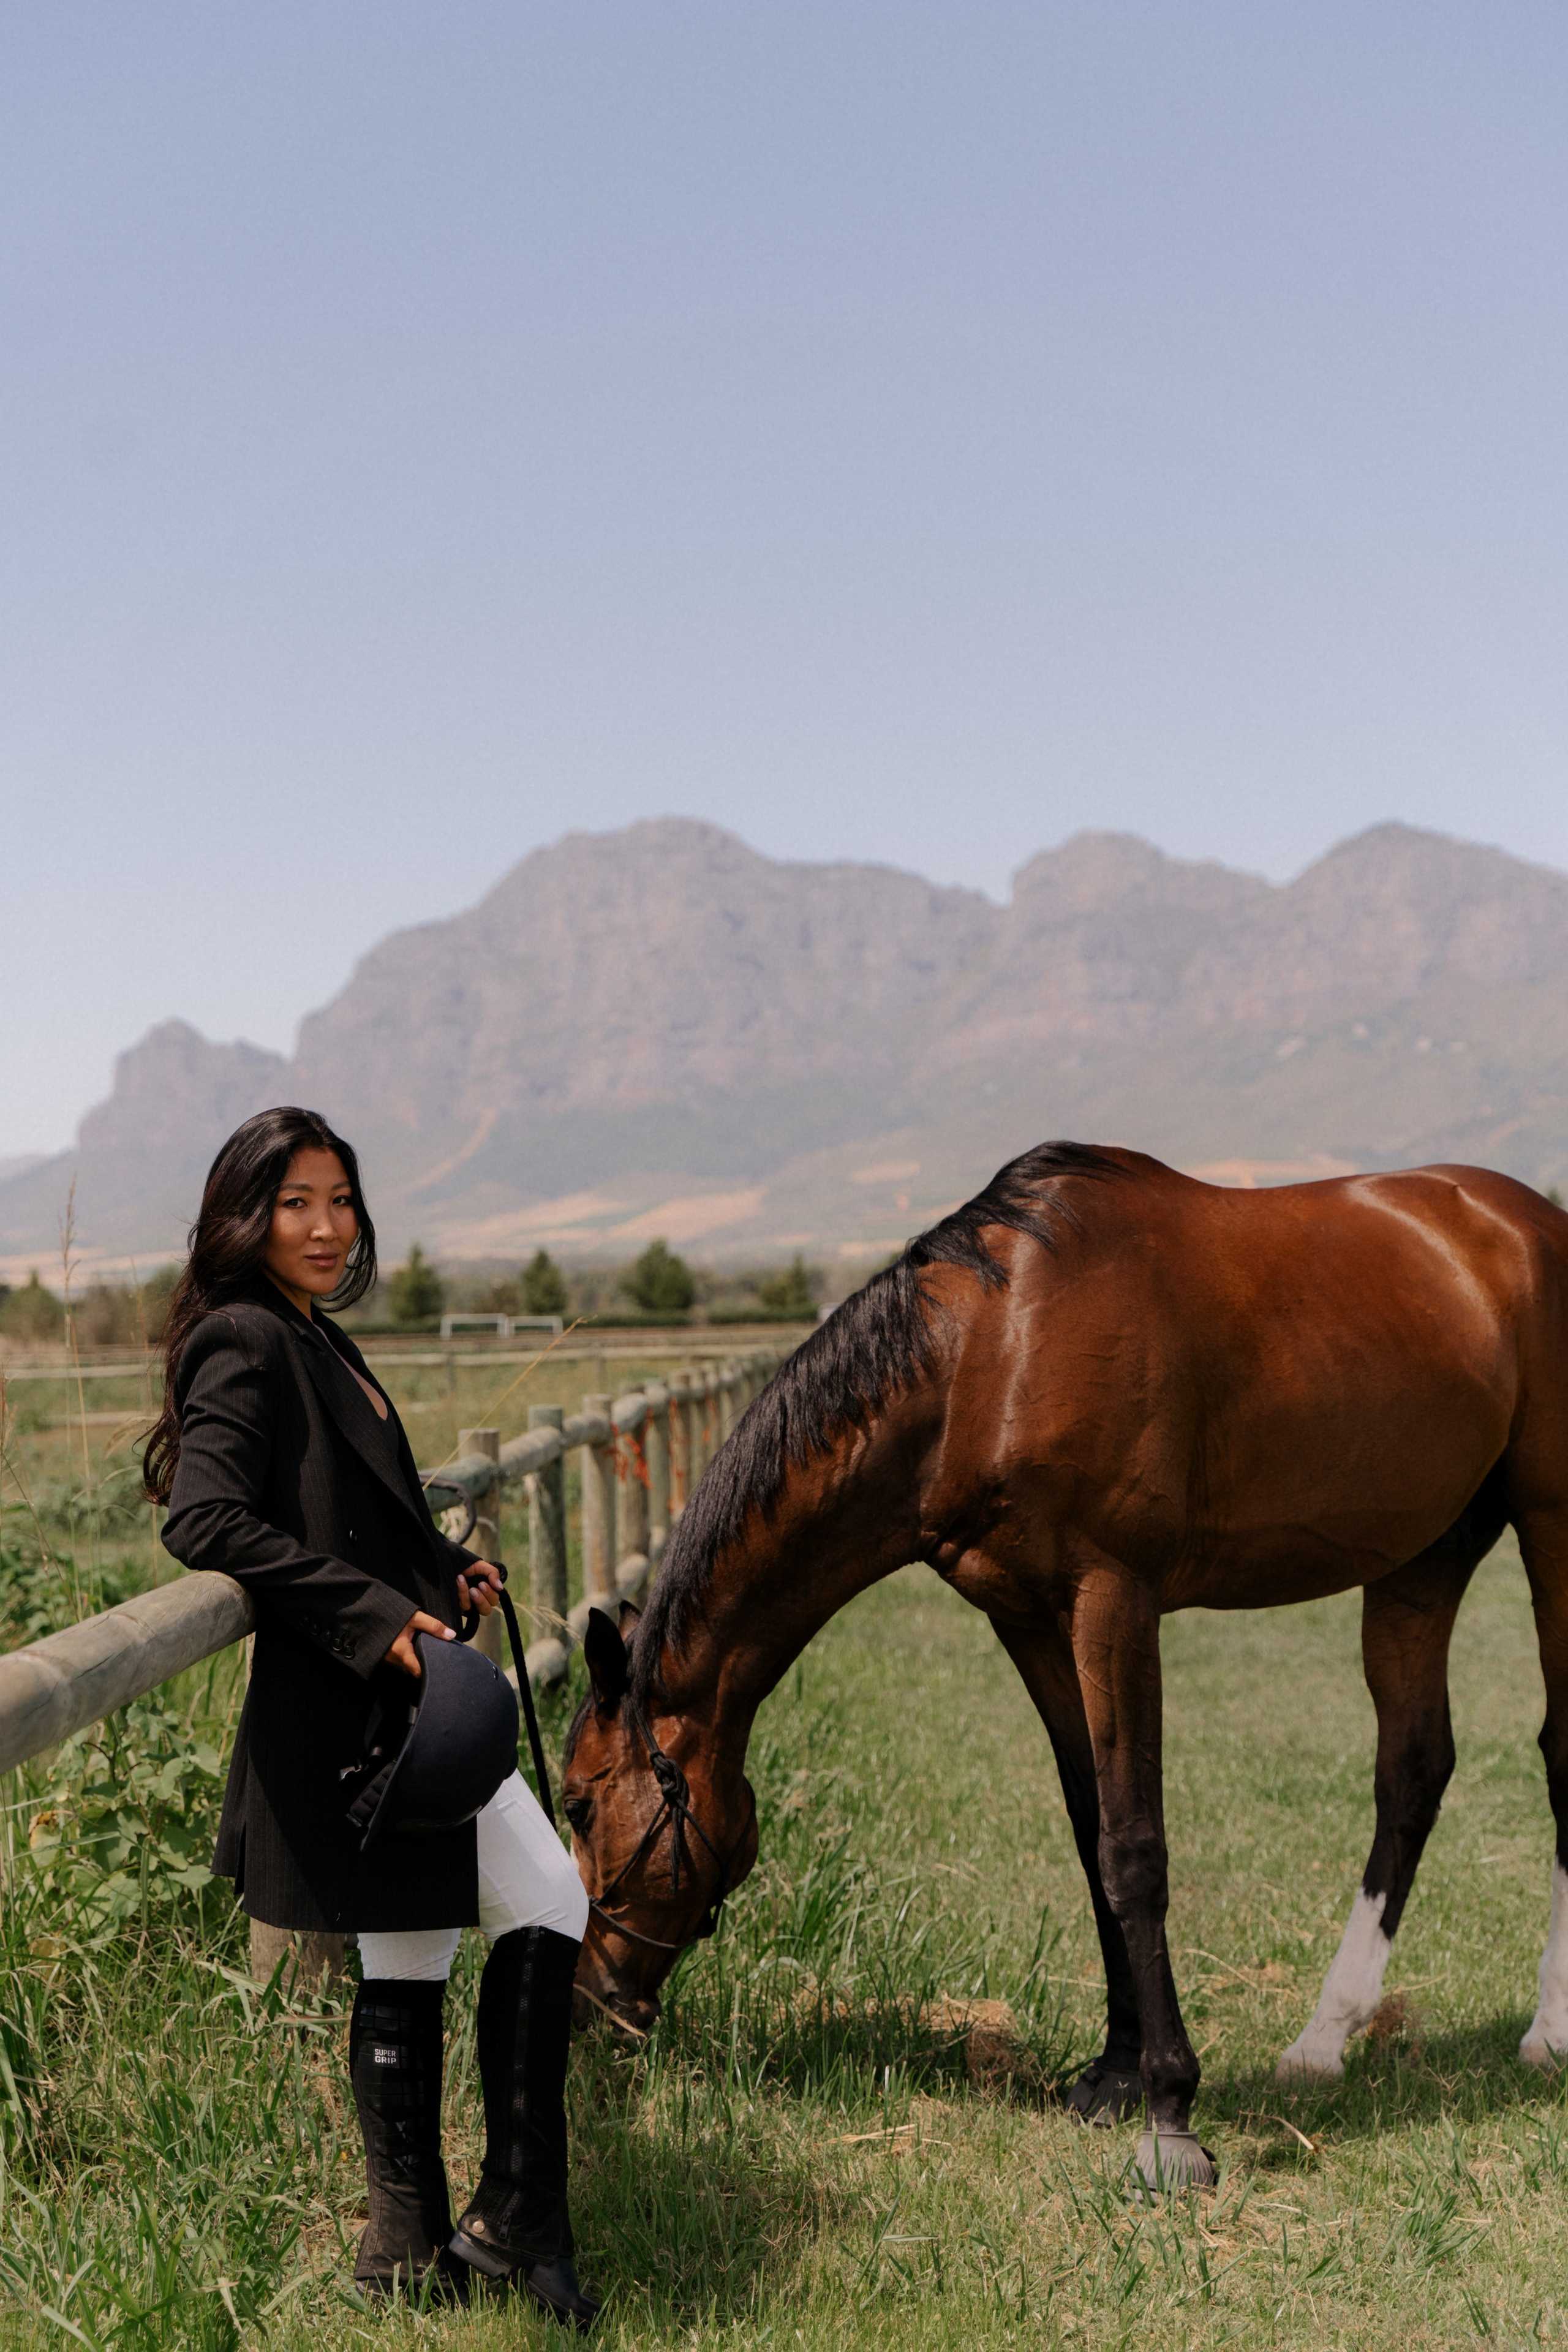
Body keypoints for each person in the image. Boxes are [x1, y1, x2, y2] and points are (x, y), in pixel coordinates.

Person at [143, 1106, 597, 2326]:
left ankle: (406, 2257)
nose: (327, 1226)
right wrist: (376, 1621)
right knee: (552, 1896)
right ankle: (512, 2223)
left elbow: (343, 1507)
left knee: (414, 1949)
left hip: (384, 1703)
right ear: (244, 1216)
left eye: (340, 1200)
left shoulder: (314, 1334)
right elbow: (207, 1521)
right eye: (295, 1202)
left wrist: (440, 1574)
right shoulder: (242, 1340)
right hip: (344, 1709)